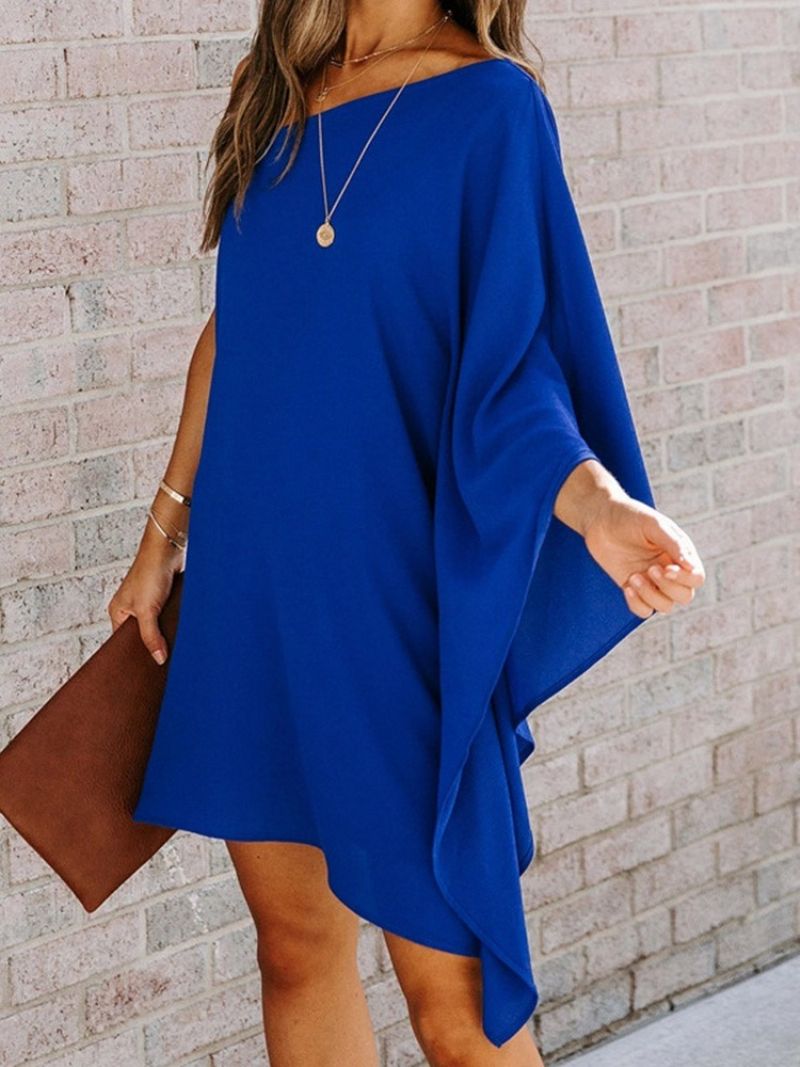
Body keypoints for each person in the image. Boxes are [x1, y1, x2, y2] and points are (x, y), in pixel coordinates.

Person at [110, 3, 706, 1064]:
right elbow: (240, 325)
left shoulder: (493, 108)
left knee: (455, 1006)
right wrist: (161, 537)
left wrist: (595, 504)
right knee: (294, 947)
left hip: (388, 592)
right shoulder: (279, 92)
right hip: (255, 579)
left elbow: (514, 369)